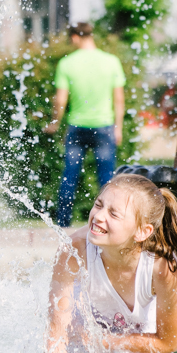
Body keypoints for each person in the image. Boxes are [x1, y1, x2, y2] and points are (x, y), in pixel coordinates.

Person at [45, 174, 177, 353]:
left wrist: (103, 341)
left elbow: (169, 342)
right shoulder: (75, 250)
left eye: (114, 214)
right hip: (78, 351)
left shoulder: (163, 268)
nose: (98, 216)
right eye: (98, 205)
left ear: (142, 232)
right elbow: (55, 337)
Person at [43, 22, 126, 228]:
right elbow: (119, 99)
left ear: (74, 38)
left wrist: (54, 123)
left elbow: (60, 100)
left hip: (77, 126)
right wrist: (119, 127)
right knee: (107, 180)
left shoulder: (67, 63)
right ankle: (110, 222)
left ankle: (63, 224)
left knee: (69, 177)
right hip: (104, 126)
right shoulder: (111, 61)